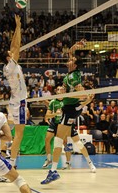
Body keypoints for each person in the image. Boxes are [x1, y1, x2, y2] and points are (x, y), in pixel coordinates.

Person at [41, 43, 96, 185]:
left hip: (70, 109)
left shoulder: (73, 77)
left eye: (71, 60)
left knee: (59, 140)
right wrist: (75, 46)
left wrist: (80, 98)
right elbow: (70, 53)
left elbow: (82, 94)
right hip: (70, 109)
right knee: (59, 140)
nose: (69, 60)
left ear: (75, 65)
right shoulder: (72, 73)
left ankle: (53, 171)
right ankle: (54, 170)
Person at [0, 14, 27, 169]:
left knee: (13, 133)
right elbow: (17, 46)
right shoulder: (10, 66)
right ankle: (11, 163)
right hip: (20, 102)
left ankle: (5, 155)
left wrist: (17, 26)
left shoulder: (8, 65)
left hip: (15, 101)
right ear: (8, 58)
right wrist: (18, 27)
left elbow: (13, 47)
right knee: (19, 135)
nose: (12, 52)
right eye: (10, 54)